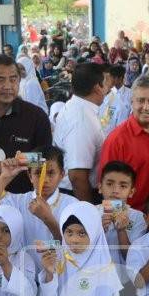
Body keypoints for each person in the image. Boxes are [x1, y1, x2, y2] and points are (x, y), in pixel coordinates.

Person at [0, 54, 53, 193]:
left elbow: (44, 159)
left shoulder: (36, 116)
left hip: (21, 197)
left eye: (13, 79)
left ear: (19, 80)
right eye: (0, 80)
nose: (8, 86)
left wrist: (18, 161)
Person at [99, 76, 149, 211]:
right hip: (131, 219)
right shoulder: (116, 140)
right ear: (132, 102)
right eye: (140, 101)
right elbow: (107, 186)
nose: (146, 107)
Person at [52, 63, 109, 202]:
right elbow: (77, 176)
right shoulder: (81, 120)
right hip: (78, 194)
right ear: (97, 88)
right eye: (106, 83)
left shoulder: (78, 107)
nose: (108, 88)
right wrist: (88, 211)